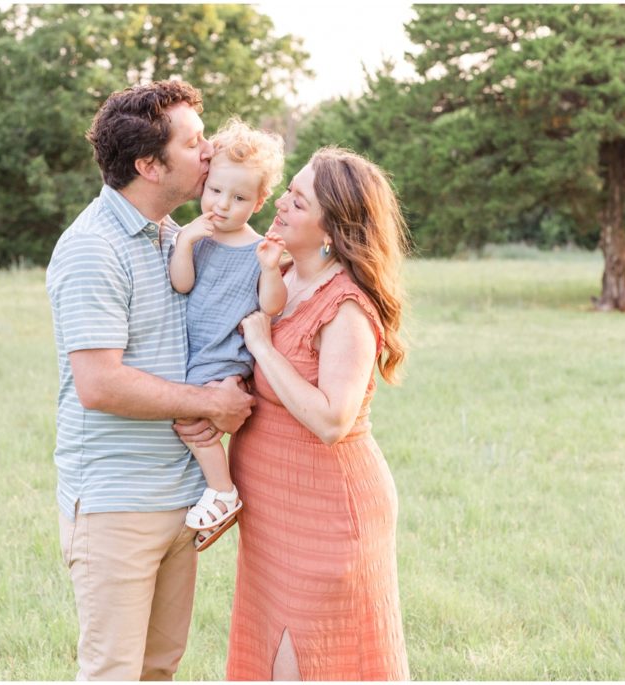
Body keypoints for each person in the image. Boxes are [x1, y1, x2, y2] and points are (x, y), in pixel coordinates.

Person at [45, 80, 254, 681]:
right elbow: (100, 384)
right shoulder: (92, 248)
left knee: (159, 668)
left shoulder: (173, 235)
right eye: (194, 143)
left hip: (179, 499)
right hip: (118, 505)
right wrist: (210, 403)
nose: (211, 151)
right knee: (114, 672)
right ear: (148, 164)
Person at [226, 147, 411, 680]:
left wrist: (263, 346)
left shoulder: (347, 306)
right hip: (271, 515)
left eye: (298, 201)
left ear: (333, 228)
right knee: (269, 654)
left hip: (327, 513)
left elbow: (333, 419)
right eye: (289, 191)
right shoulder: (279, 271)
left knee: (309, 661)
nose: (279, 203)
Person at [168, 118, 287, 551]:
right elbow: (181, 284)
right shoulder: (195, 238)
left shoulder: (258, 251)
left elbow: (272, 305)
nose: (222, 204)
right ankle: (214, 490)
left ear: (258, 203)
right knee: (190, 419)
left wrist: (272, 268)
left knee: (188, 419)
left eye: (238, 198)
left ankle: (222, 491)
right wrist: (184, 243)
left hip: (224, 351)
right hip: (196, 347)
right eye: (215, 191)